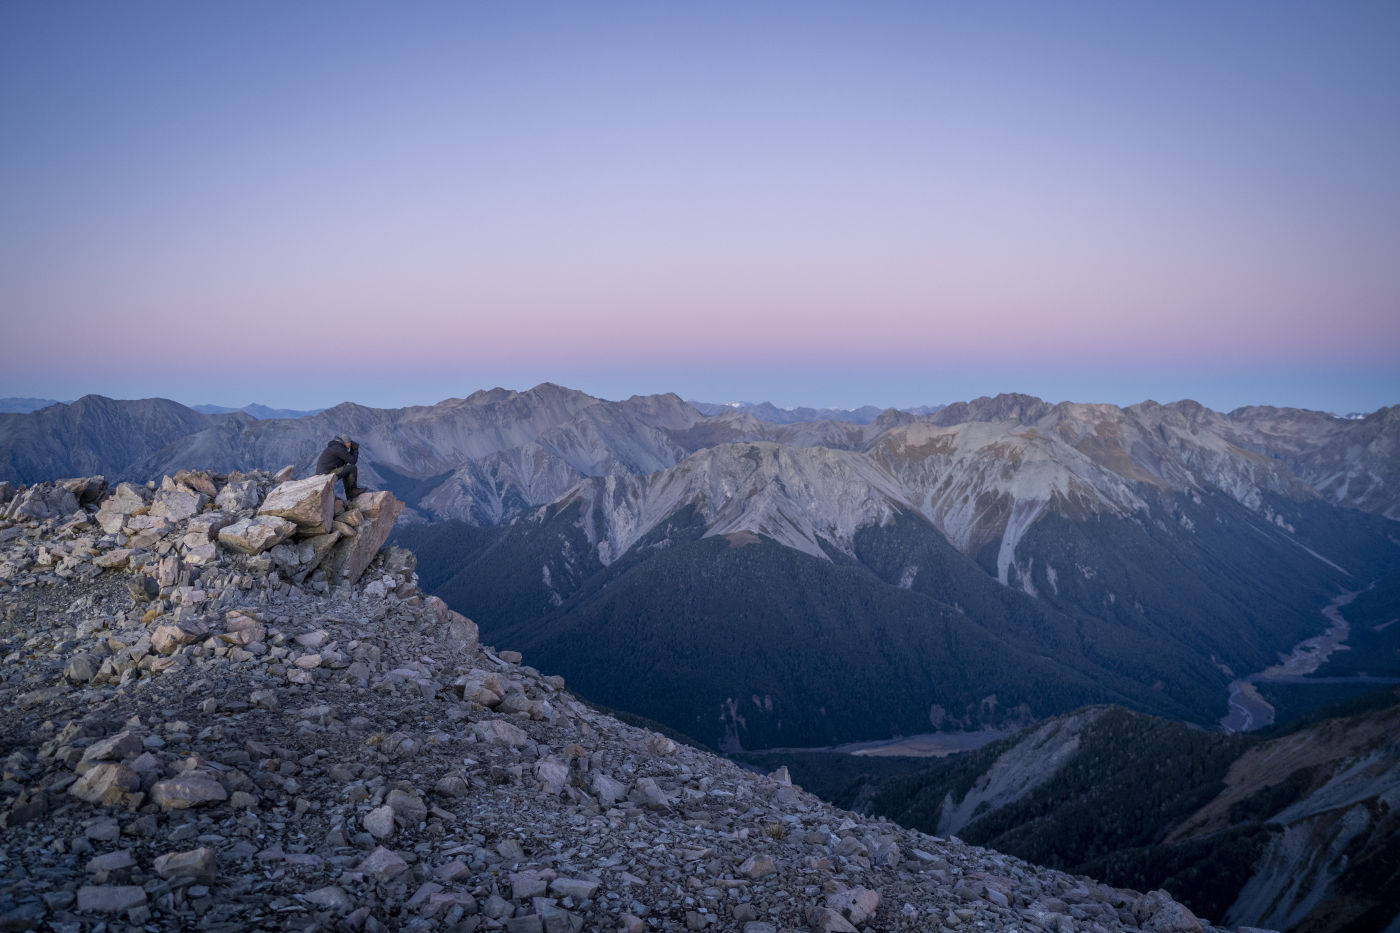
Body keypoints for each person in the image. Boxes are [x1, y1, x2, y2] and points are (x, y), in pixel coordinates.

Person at [316, 434, 365, 500]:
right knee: (352, 468)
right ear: (345, 442)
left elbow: (346, 459)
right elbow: (353, 461)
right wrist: (355, 450)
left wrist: (352, 451)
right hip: (326, 474)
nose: (350, 444)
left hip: (323, 473)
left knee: (346, 470)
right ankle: (352, 491)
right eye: (349, 442)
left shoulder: (336, 447)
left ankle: (350, 493)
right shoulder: (338, 448)